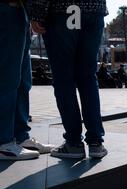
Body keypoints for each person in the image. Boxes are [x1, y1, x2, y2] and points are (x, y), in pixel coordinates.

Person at [29, 0, 108, 159]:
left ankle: (73, 143)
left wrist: (37, 13)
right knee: (88, 77)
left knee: (64, 78)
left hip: (64, 9)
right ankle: (95, 143)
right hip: (94, 10)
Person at [0, 0, 54, 161]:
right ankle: (4, 141)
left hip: (20, 11)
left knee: (23, 81)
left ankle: (20, 136)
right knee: (8, 79)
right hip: (7, 8)